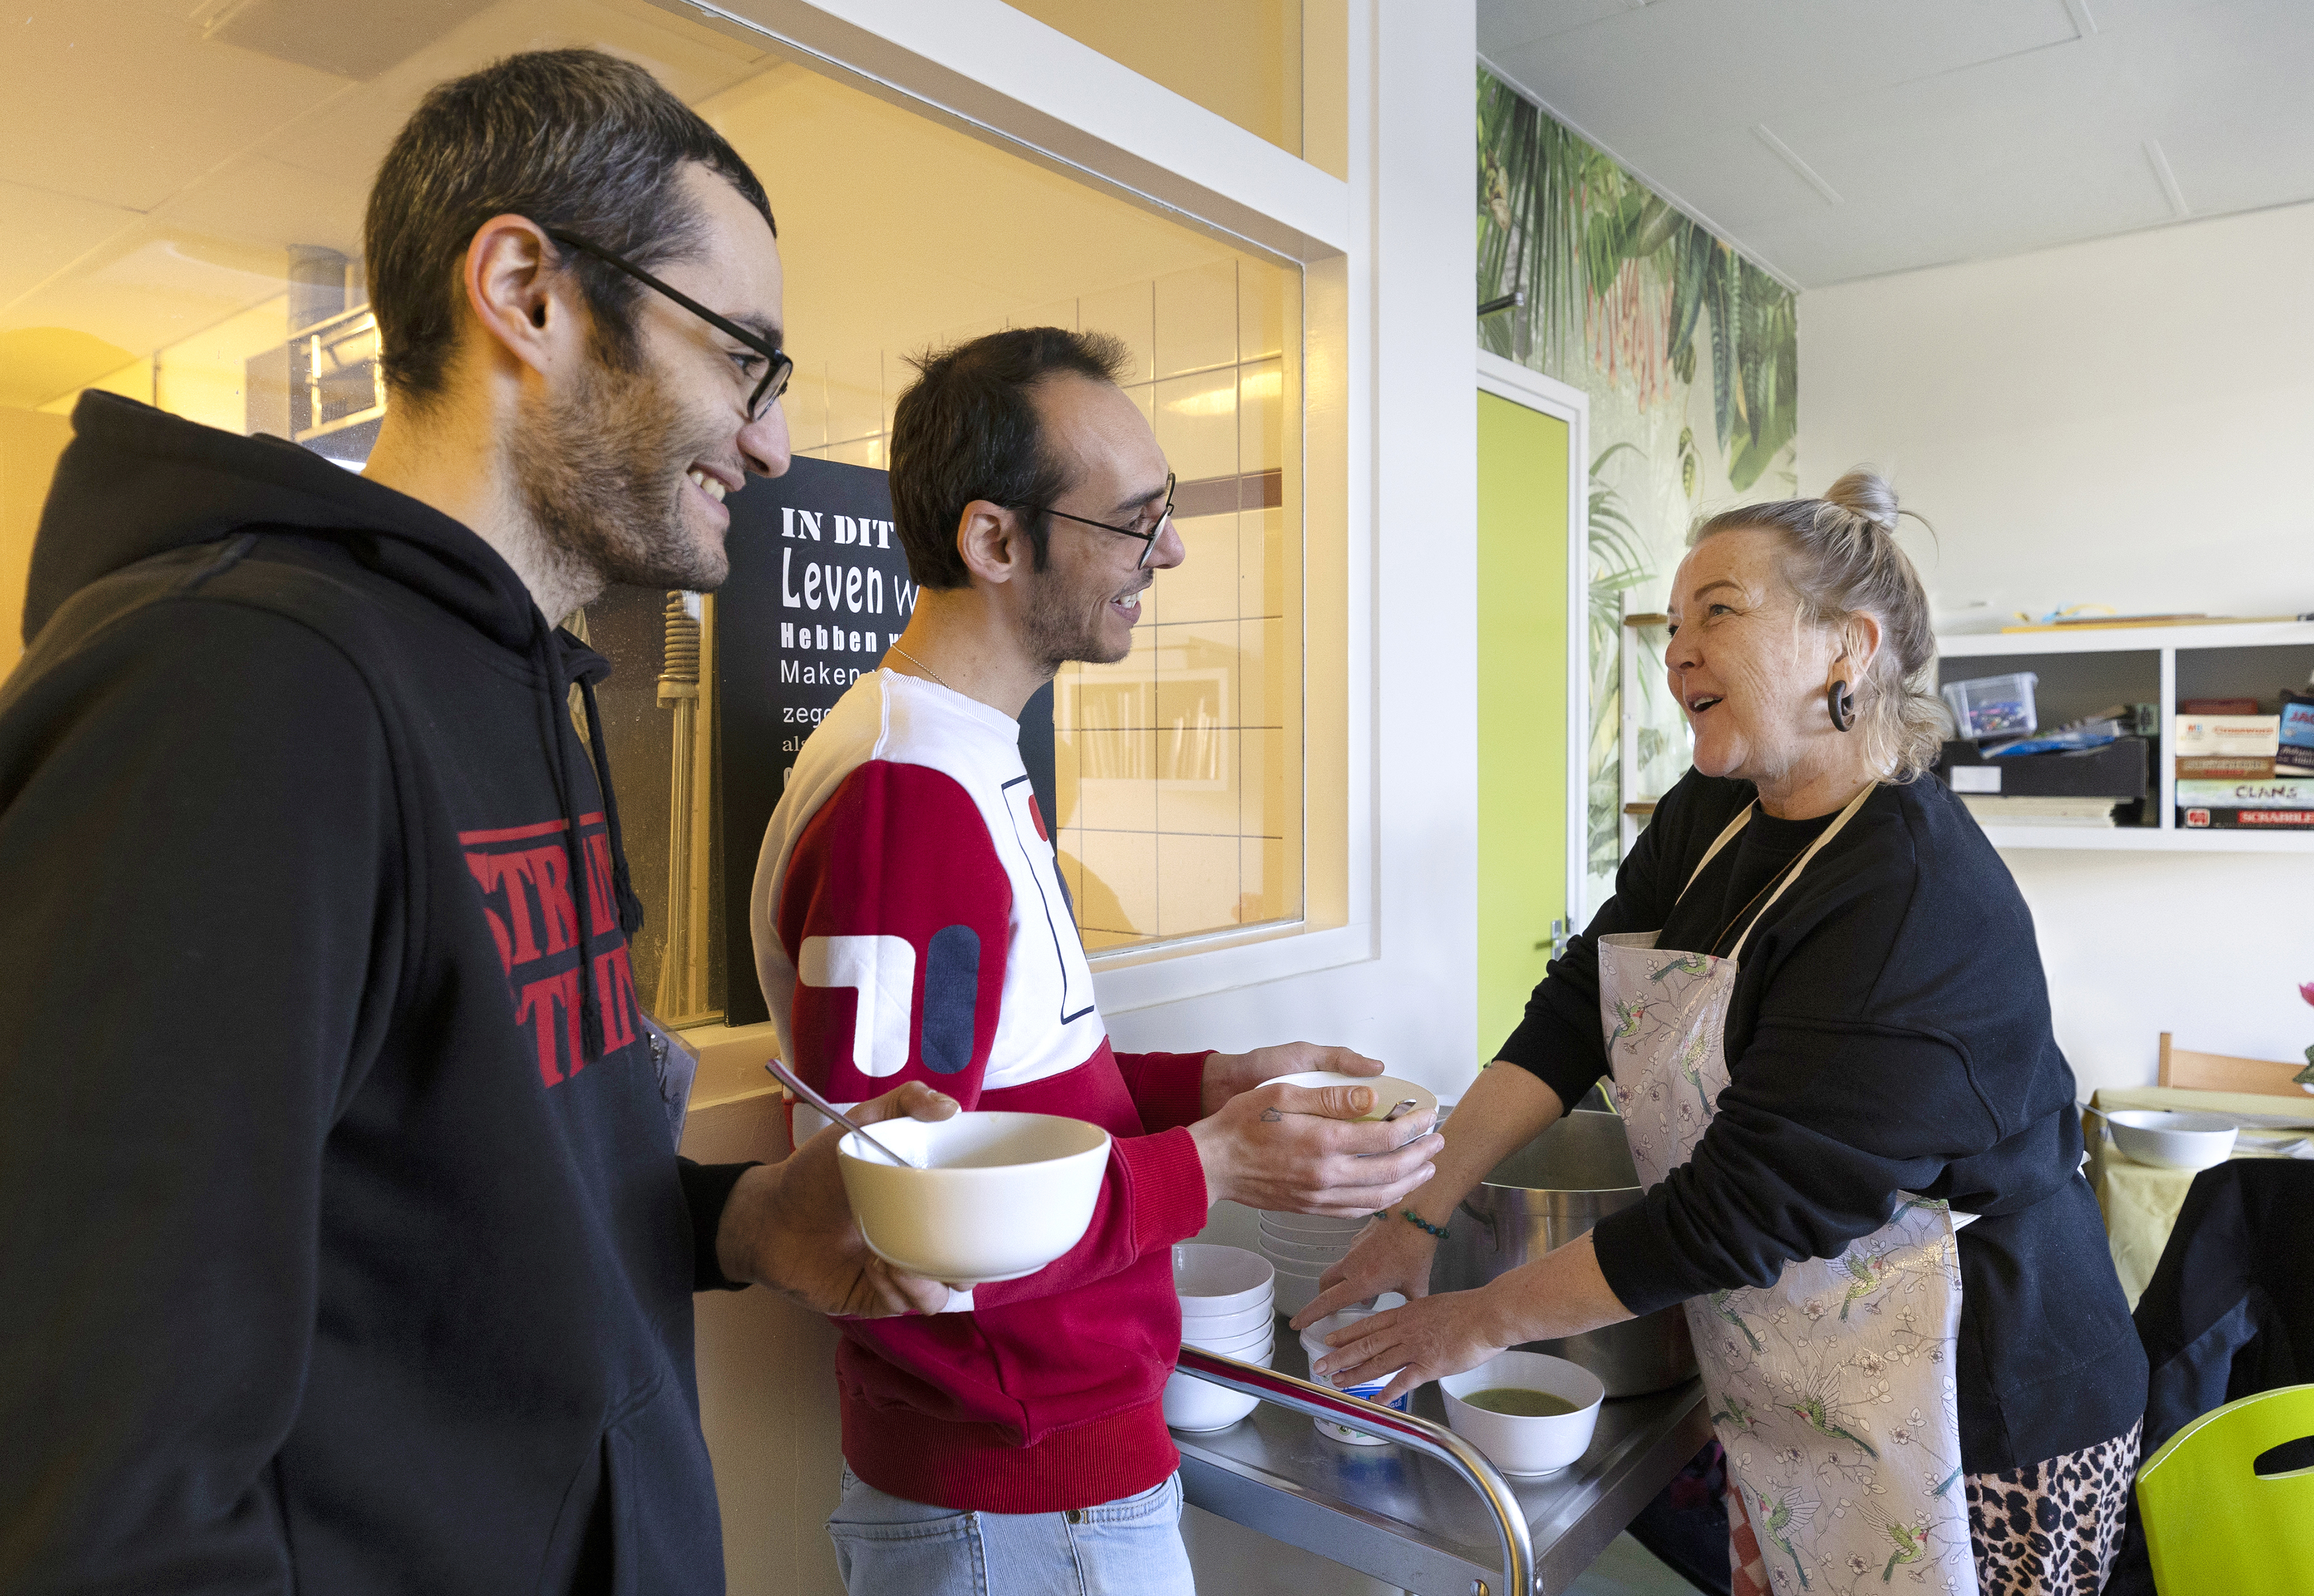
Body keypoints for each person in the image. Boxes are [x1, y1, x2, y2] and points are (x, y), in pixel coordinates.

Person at [0, 49, 949, 1595]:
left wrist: (742, 1218)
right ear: (525, 288)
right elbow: (95, 1487)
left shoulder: (531, 683)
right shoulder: (235, 691)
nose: (770, 444)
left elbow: (462, 1198)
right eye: (744, 361)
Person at [1300, 472, 2147, 1596]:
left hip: (1979, 1409)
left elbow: (1738, 1209)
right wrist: (1419, 1209)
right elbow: (1573, 1018)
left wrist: (1479, 1321)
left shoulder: (1909, 900)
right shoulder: (1712, 811)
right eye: (1677, 617)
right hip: (1798, 1369)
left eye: (1721, 611)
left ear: (1848, 647)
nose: (1678, 647)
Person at [750, 326, 1444, 1595]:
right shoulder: (915, 801)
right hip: (1014, 1499)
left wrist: (1213, 1083)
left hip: (1041, 1479)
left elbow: (1006, 1092)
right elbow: (909, 1216)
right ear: (995, 542)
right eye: (1135, 521)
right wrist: (1217, 1164)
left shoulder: (957, 758)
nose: (1168, 552)